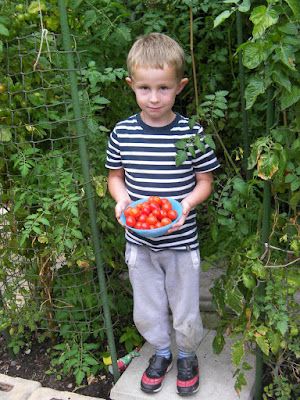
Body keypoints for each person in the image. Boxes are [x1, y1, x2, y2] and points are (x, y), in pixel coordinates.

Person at [106, 32, 220, 396]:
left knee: (185, 305)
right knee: (148, 306)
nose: (154, 98)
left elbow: (205, 182)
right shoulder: (122, 133)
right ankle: (162, 350)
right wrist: (122, 200)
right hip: (138, 241)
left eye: (164, 88)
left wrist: (185, 205)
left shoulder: (192, 133)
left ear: (180, 86)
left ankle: (187, 352)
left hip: (182, 242)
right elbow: (115, 177)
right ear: (131, 86)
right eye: (144, 88)